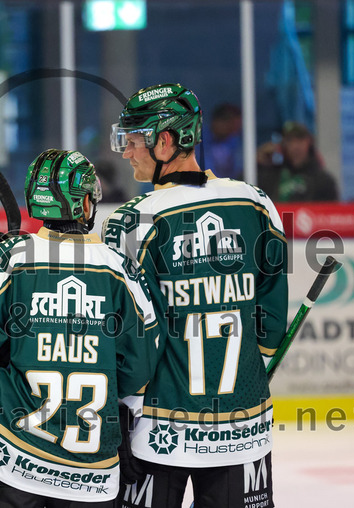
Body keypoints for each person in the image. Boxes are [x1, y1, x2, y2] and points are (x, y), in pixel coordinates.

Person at [103, 83, 288, 508]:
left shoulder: (133, 222)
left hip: (155, 430)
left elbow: (128, 337)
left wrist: (119, 411)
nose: (126, 152)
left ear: (165, 141)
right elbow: (272, 323)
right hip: (244, 429)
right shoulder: (255, 204)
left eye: (132, 141)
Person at [0, 148, 163, 507]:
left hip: (9, 460)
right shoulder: (118, 267)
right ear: (84, 204)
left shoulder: (9, 259)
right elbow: (141, 365)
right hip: (91, 474)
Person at [257, 121, 338, 202]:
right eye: (290, 141)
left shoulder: (324, 181)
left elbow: (331, 208)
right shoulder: (271, 177)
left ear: (309, 142)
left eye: (300, 140)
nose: (295, 146)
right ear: (283, 145)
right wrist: (259, 164)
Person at [202, 103, 243, 180]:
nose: (234, 132)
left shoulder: (233, 140)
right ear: (217, 122)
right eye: (231, 126)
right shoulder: (199, 140)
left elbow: (239, 167)